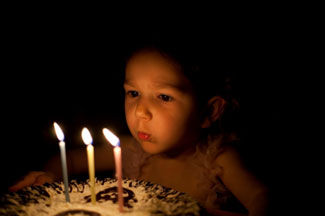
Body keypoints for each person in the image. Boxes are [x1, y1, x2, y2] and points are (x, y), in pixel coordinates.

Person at [9, 35, 271, 216]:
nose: (140, 111)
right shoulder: (132, 152)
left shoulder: (217, 160)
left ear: (208, 111)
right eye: (133, 93)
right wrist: (48, 178)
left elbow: (261, 196)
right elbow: (66, 161)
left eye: (164, 97)